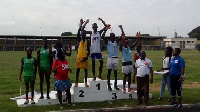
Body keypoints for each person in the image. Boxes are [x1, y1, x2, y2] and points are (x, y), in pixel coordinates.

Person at [102, 25, 124, 91]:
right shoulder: (108, 42)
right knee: (109, 72)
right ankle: (108, 85)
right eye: (112, 36)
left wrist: (121, 29)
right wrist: (106, 29)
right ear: (110, 37)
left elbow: (122, 36)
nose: (114, 37)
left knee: (115, 73)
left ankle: (115, 85)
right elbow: (102, 36)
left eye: (114, 36)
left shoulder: (116, 41)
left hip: (116, 58)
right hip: (110, 58)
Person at [74, 18, 90, 87]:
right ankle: (76, 82)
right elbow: (78, 32)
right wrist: (81, 24)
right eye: (82, 33)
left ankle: (86, 82)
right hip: (79, 58)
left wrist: (87, 56)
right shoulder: (79, 40)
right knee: (78, 70)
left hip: (85, 58)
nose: (83, 34)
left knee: (85, 70)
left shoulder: (87, 42)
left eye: (84, 34)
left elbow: (89, 51)